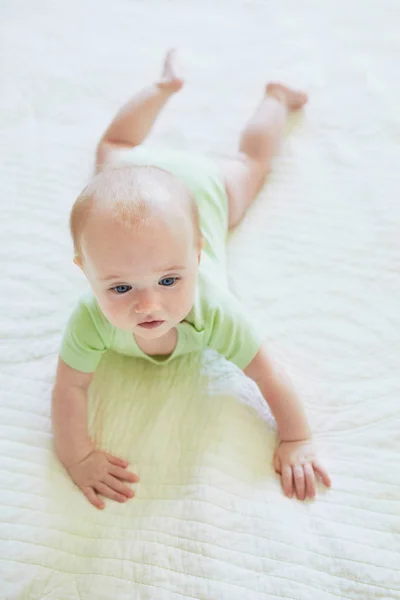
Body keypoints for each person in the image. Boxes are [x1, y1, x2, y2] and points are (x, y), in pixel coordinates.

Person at [52, 49, 331, 510]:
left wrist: (296, 437)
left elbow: (268, 373)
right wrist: (78, 457)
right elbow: (69, 388)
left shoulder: (213, 309)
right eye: (120, 287)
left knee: (252, 164)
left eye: (169, 280)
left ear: (198, 253)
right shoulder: (87, 319)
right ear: (86, 270)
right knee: (112, 149)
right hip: (127, 184)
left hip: (202, 187)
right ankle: (163, 87)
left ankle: (277, 97)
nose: (148, 305)